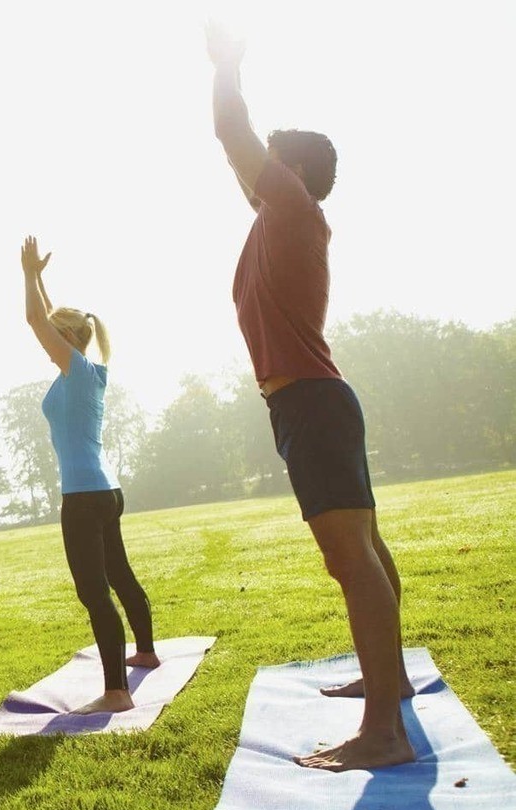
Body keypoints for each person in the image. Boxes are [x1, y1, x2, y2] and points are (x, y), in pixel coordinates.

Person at [207, 24, 414, 771]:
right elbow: (238, 154)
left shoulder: (291, 205)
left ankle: (382, 728)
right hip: (315, 403)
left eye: (270, 154)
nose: (252, 167)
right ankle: (388, 685)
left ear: (290, 167)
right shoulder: (279, 216)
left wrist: (226, 63)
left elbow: (233, 132)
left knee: (349, 558)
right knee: (366, 549)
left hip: (314, 405)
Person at [21, 236, 158, 715]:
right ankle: (145, 650)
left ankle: (116, 691)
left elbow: (39, 320)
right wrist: (39, 277)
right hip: (105, 489)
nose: (45, 344)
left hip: (83, 495)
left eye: (55, 339)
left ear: (67, 341)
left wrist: (25, 275)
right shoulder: (85, 370)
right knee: (118, 572)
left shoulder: (77, 370)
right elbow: (54, 318)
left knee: (93, 591)